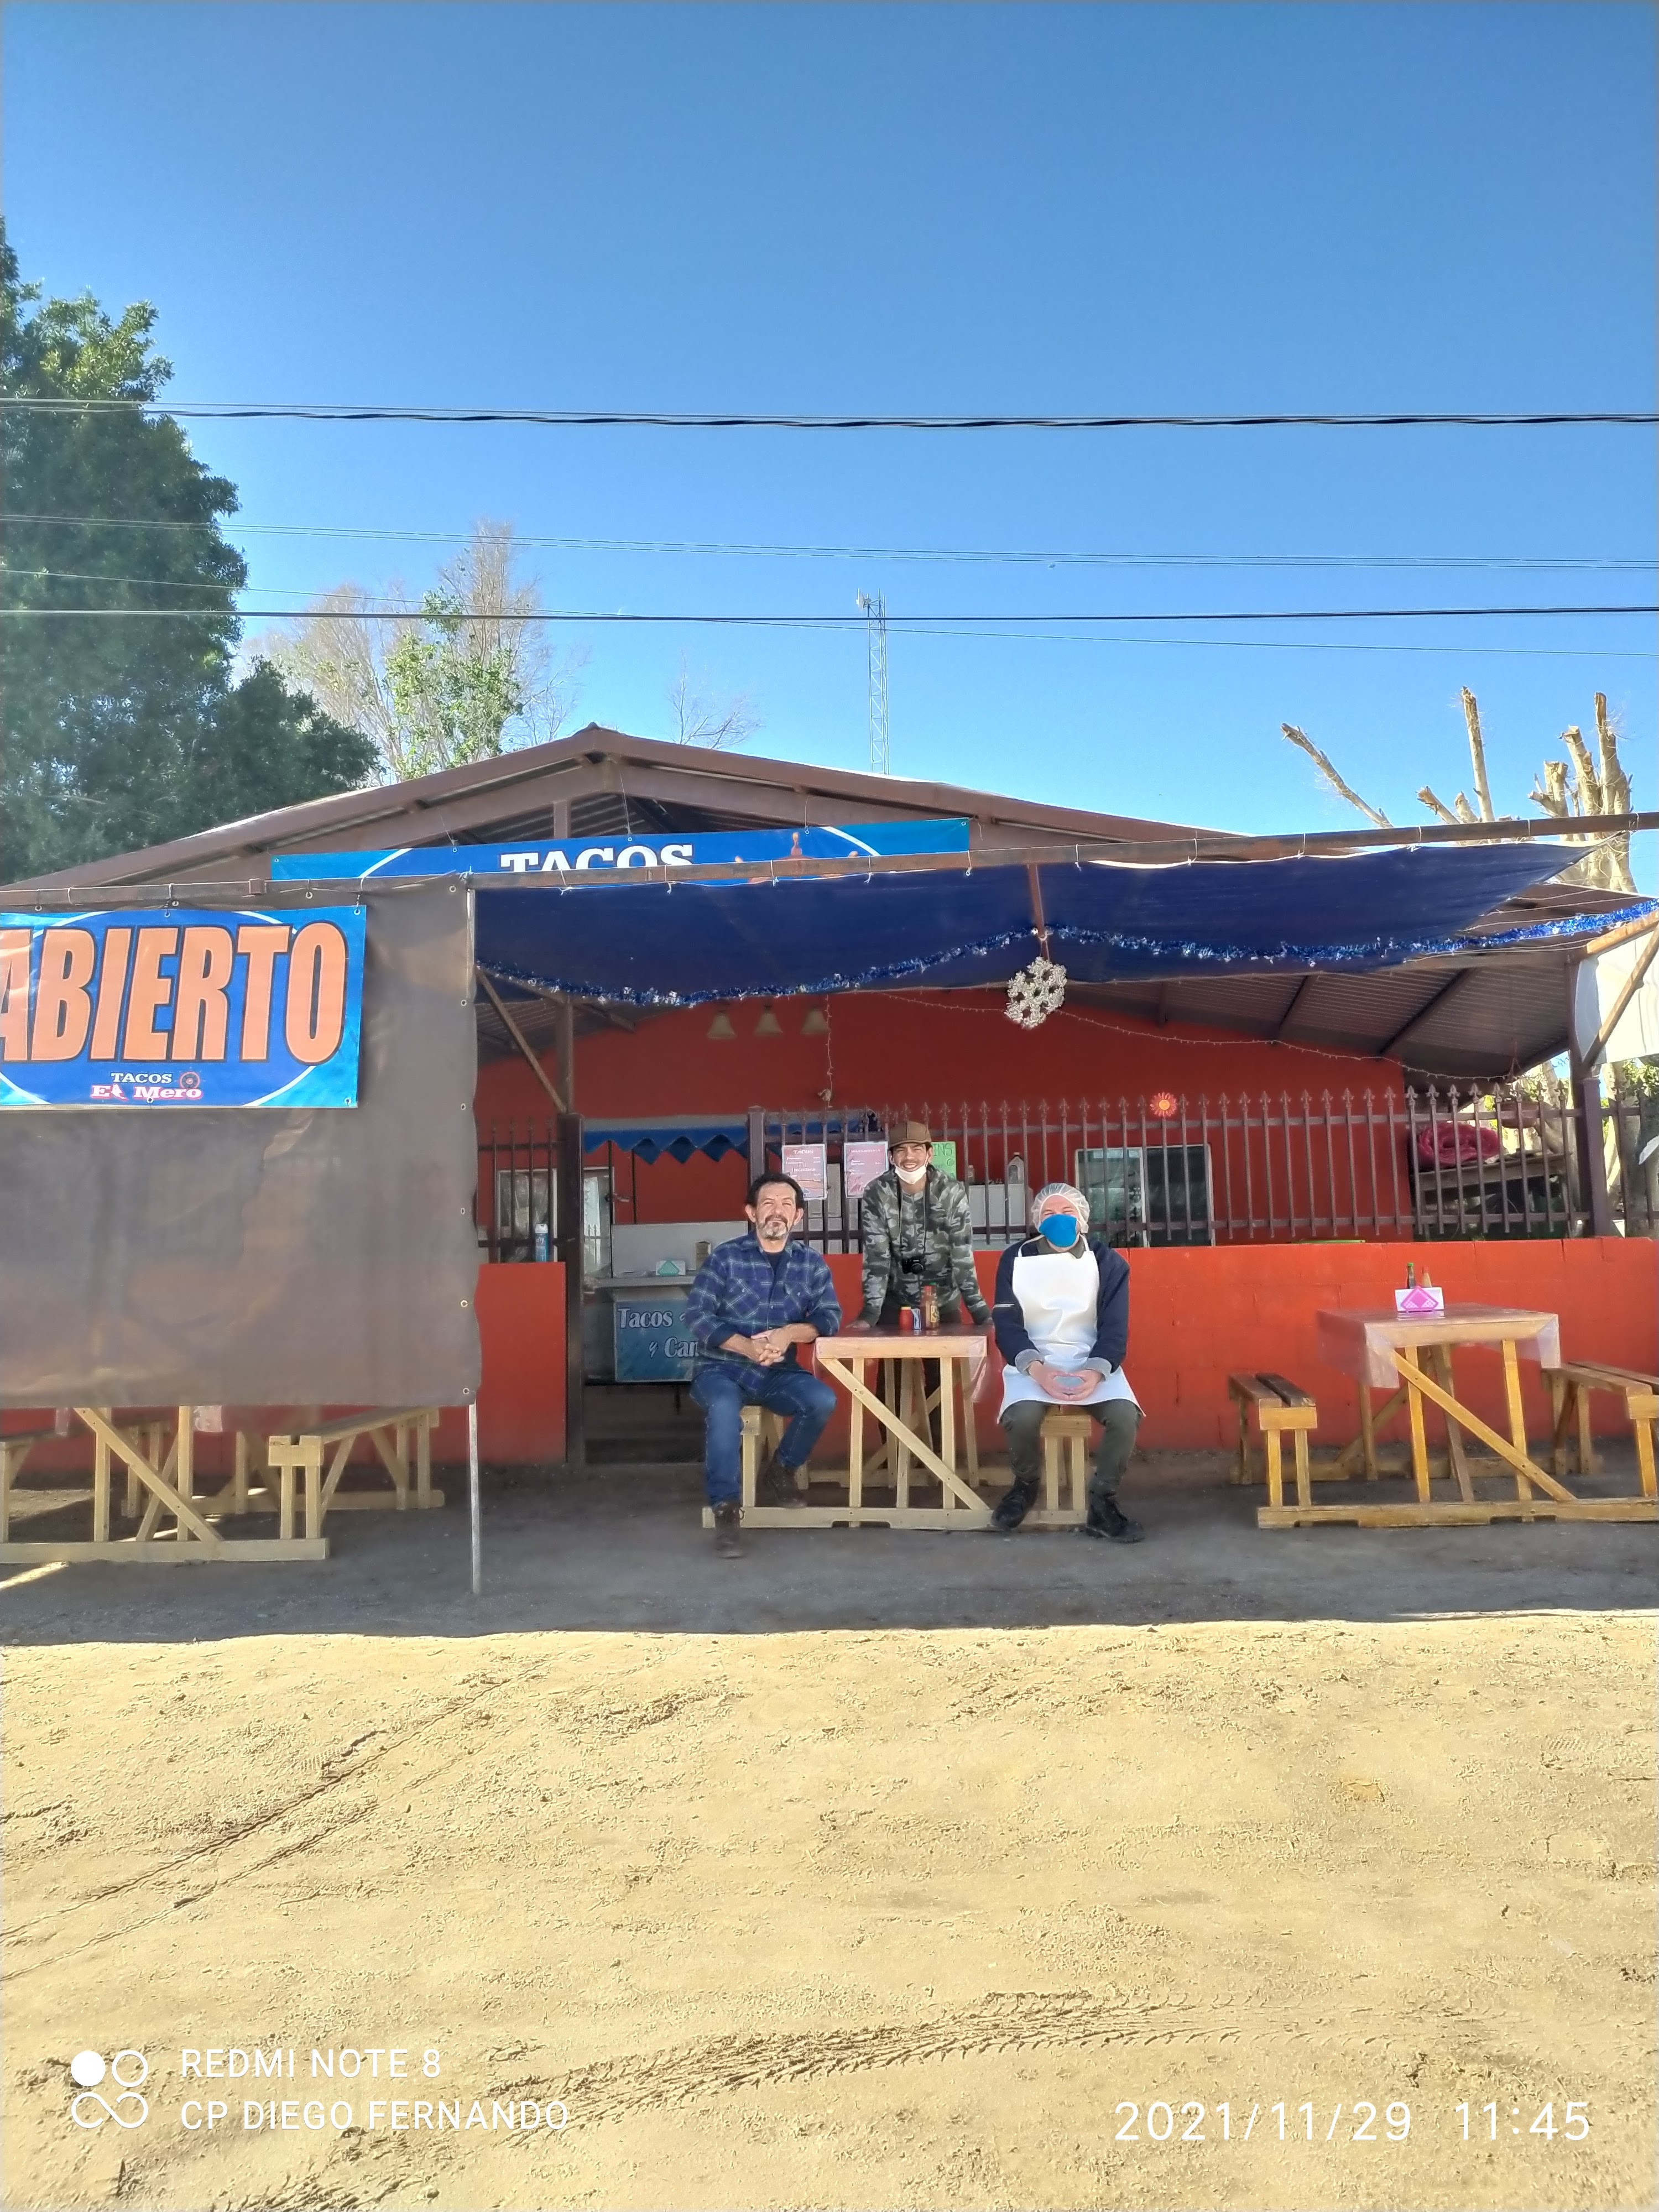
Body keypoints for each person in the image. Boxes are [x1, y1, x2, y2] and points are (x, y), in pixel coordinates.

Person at [684, 1173, 842, 1558]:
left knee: (821, 1400)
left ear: (798, 1215)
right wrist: (746, 1347)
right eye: (768, 1203)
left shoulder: (811, 1264)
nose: (777, 1212)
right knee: (724, 1410)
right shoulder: (726, 1258)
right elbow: (696, 1315)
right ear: (751, 1212)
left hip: (778, 1371)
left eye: (787, 1204)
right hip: (721, 1368)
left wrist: (787, 1335)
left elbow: (829, 1317)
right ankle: (725, 1508)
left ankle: (781, 1469)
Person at [989, 1181, 1144, 1542]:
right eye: (1048, 1213)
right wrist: (1038, 1369)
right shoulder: (1016, 1259)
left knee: (1125, 1417)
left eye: (1067, 1211)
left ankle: (1103, 1502)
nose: (1058, 1218)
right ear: (1037, 1220)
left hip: (1091, 1358)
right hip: (1033, 1360)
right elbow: (1007, 1322)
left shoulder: (1108, 1262)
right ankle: (1026, 1483)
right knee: (1021, 1417)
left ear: (1083, 1217)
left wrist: (1096, 1370)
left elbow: (1115, 1327)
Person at [855, 1121, 993, 1329]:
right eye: (901, 1150)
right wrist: (870, 1313)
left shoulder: (951, 1192)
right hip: (894, 1304)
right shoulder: (877, 1192)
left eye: (917, 1149)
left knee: (946, 1351)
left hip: (942, 1302)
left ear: (930, 1154)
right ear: (891, 1157)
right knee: (890, 1350)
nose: (909, 1157)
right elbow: (877, 1256)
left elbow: (962, 1254)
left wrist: (980, 1312)